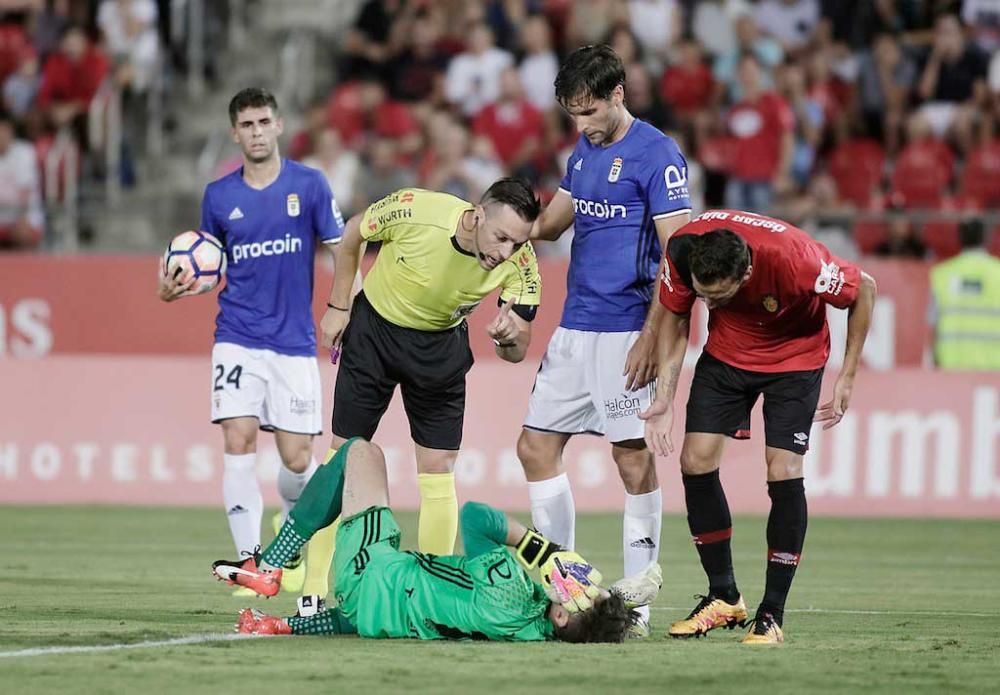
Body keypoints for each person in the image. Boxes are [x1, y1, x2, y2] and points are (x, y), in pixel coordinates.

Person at [515, 44, 692, 638]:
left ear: (619, 94)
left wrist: (653, 334)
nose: (582, 125)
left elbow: (679, 257)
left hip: (627, 331)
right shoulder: (582, 152)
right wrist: (500, 226)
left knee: (631, 458)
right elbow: (552, 224)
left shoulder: (658, 155)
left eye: (589, 112)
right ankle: (561, 584)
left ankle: (636, 606)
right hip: (574, 327)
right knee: (534, 448)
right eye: (573, 115)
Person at [641, 208, 877, 644]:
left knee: (783, 469)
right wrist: (665, 398)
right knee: (694, 461)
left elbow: (864, 288)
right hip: (727, 357)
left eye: (720, 297)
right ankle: (723, 596)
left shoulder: (796, 259)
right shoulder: (683, 248)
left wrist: (847, 375)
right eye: (703, 295)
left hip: (796, 360)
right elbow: (676, 319)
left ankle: (772, 613)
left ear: (747, 273)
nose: (709, 303)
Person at [157, 88, 352, 613]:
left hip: (293, 344)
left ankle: (290, 547)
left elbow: (340, 249)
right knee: (238, 439)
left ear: (281, 125)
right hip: (237, 338)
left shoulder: (309, 186)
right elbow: (203, 264)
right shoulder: (218, 197)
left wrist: (345, 305)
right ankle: (251, 563)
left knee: (297, 458)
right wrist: (172, 288)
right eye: (247, 124)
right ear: (234, 133)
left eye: (265, 121)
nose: (257, 131)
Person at [308, 177, 542, 592]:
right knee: (342, 460)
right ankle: (312, 592)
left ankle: (432, 591)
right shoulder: (417, 210)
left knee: (438, 469)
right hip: (373, 334)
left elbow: (517, 350)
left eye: (518, 243)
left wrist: (510, 339)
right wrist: (338, 305)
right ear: (477, 214)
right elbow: (352, 234)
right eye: (502, 237)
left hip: (440, 347)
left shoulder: (521, 265)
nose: (507, 252)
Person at [213, 437, 662, 642]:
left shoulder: (508, 588)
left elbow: (475, 518)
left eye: (578, 593)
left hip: (372, 567)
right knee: (400, 604)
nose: (571, 581)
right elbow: (375, 618)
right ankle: (283, 621)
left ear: (562, 616)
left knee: (360, 452)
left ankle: (272, 563)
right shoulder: (527, 631)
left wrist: (542, 549)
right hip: (374, 611)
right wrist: (285, 626)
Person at [929, 219, 1000, 370]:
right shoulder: (998, 273)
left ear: (960, 238)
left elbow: (932, 326)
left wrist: (932, 364)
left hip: (951, 370)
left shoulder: (941, 275)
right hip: (994, 372)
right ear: (986, 238)